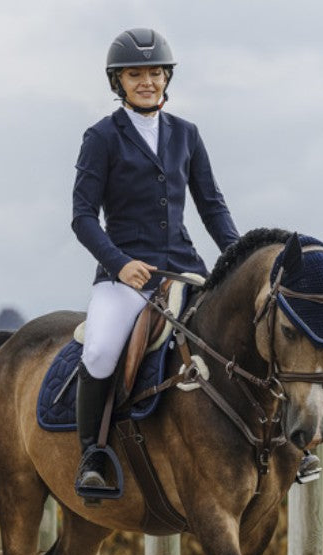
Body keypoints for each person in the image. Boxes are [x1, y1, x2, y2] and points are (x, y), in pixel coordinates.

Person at [71, 27, 239, 498]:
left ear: (167, 77)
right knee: (101, 348)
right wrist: (119, 263)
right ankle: (94, 454)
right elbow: (83, 217)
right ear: (118, 81)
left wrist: (239, 256)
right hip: (125, 275)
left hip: (184, 268)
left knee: (238, 331)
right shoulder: (102, 137)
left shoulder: (187, 134)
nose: (147, 81)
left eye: (155, 72)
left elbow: (213, 207)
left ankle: (282, 440)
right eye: (135, 73)